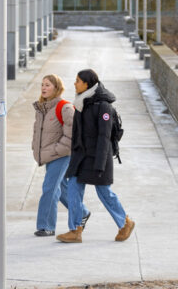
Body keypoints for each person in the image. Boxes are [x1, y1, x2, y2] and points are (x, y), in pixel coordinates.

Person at [57, 69, 135, 243]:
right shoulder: (80, 103)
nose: (75, 83)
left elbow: (104, 137)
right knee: (74, 190)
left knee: (104, 192)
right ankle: (75, 230)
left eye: (77, 81)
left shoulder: (104, 106)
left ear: (87, 83)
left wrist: (100, 164)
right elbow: (77, 134)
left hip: (99, 157)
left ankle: (125, 223)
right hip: (81, 157)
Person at [31, 74, 90, 236]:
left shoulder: (64, 107)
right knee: (60, 188)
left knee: (49, 188)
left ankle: (46, 226)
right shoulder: (42, 108)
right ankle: (82, 212)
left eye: (48, 85)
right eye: (42, 85)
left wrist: (58, 150)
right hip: (49, 155)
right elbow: (39, 132)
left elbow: (73, 134)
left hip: (61, 155)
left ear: (57, 88)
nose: (43, 88)